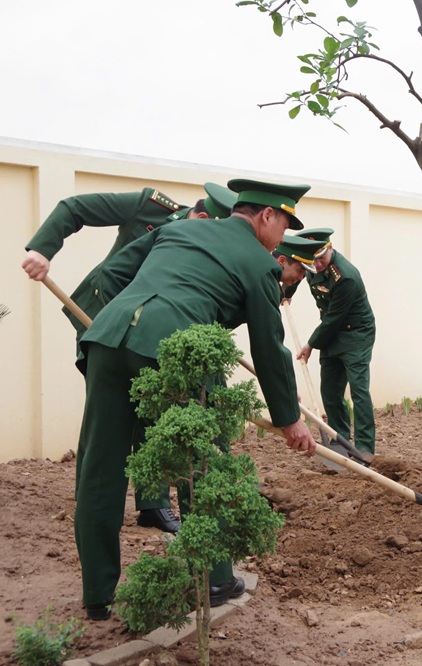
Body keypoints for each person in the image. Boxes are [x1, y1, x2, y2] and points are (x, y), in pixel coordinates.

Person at [74, 178, 315, 620]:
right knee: (201, 461)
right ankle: (213, 579)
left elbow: (113, 274)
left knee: (100, 468)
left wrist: (128, 319)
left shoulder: (179, 228)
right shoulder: (260, 265)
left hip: (107, 339)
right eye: (285, 225)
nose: (283, 238)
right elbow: (269, 349)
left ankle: (97, 595)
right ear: (266, 215)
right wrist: (289, 420)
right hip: (172, 352)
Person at [22, 183, 238, 534]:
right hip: (105, 318)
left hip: (155, 329)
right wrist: (42, 250)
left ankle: (152, 504)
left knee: (153, 409)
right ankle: (91, 497)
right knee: (106, 413)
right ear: (200, 218)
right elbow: (75, 208)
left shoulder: (214, 248)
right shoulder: (149, 206)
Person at [287, 228, 377, 455]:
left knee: (358, 390)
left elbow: (334, 318)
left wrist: (310, 344)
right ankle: (340, 440)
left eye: (322, 258)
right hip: (331, 333)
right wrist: (286, 292)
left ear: (331, 248)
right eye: (313, 260)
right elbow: (298, 275)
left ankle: (364, 448)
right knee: (330, 390)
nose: (317, 265)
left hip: (356, 334)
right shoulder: (311, 265)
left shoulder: (345, 276)